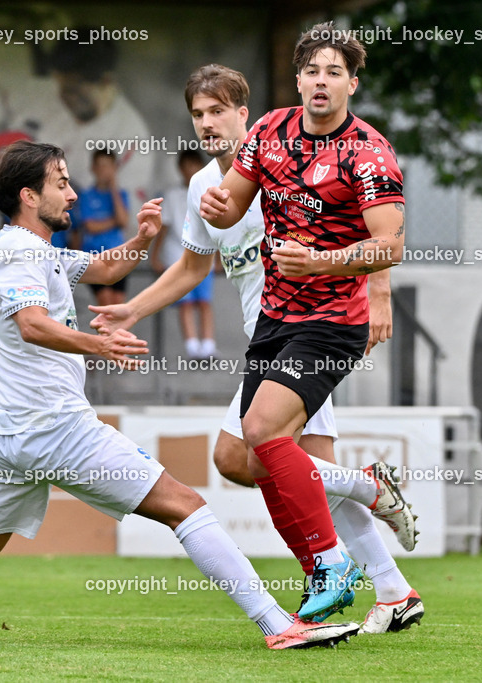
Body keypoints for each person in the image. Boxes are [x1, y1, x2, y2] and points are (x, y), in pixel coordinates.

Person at [0, 141, 360, 649]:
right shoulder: (18, 255)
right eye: (61, 183)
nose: (73, 192)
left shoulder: (42, 252)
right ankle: (277, 625)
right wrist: (95, 344)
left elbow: (105, 267)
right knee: (186, 506)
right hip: (53, 426)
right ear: (29, 196)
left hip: (8, 435)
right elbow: (33, 325)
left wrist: (144, 237)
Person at [91, 63, 423, 633]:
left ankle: (348, 540)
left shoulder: (289, 160)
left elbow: (370, 231)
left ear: (244, 114)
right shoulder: (203, 188)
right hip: (269, 338)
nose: (207, 123)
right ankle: (391, 584)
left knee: (247, 456)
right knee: (298, 467)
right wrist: (132, 308)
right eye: (198, 114)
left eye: (218, 111)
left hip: (313, 328)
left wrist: (381, 295)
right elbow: (193, 266)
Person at [198, 25, 410, 624]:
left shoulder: (367, 152)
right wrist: (220, 207)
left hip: (333, 318)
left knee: (266, 431)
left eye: (334, 72)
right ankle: (356, 530)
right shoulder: (268, 130)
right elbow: (235, 202)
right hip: (275, 317)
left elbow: (389, 245)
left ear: (351, 83)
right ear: (298, 80)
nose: (322, 81)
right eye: (312, 71)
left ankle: (333, 564)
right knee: (241, 457)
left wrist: (324, 262)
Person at [156, 150, 219, 360]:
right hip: (177, 258)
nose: (191, 170)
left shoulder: (210, 192)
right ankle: (192, 347)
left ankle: (208, 346)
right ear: (180, 169)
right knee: (185, 302)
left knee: (204, 302)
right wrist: (155, 255)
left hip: (205, 257)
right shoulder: (172, 195)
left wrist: (219, 257)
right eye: (186, 166)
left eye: (195, 165)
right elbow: (163, 228)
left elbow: (218, 228)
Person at [74, 150, 131, 306]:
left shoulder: (121, 194)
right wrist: (115, 221)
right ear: (92, 168)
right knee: (105, 301)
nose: (103, 170)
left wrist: (113, 188)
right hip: (95, 257)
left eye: (107, 166)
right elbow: (91, 226)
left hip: (118, 257)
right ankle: (108, 332)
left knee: (118, 303)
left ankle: (116, 332)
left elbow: (124, 221)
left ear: (114, 168)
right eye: (99, 166)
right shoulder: (86, 195)